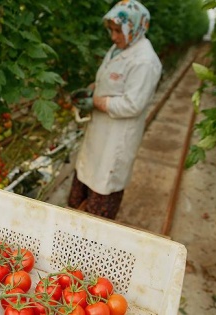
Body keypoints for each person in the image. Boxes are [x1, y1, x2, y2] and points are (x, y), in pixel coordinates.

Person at [67, 0, 162, 219]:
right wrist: (91, 90)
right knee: (77, 199)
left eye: (118, 30)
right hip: (98, 135)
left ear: (136, 27)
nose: (113, 36)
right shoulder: (119, 47)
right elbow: (107, 80)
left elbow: (133, 105)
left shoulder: (145, 61)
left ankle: (93, 251)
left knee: (99, 210)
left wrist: (96, 102)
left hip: (115, 143)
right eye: (111, 30)